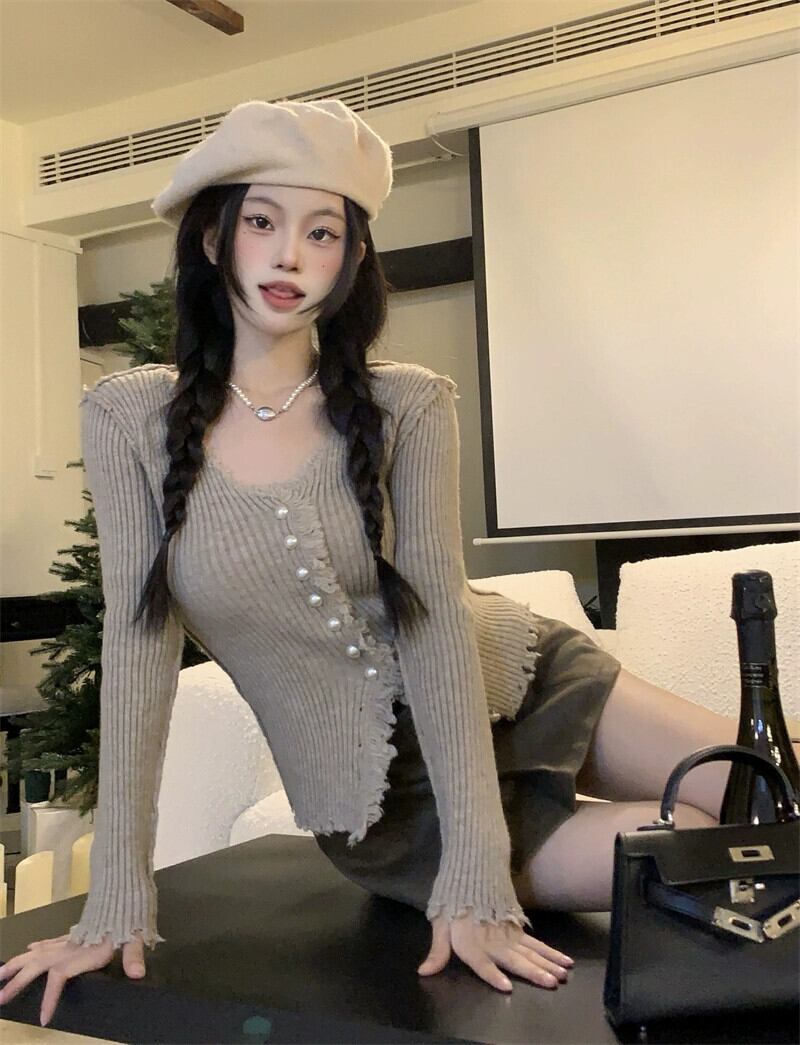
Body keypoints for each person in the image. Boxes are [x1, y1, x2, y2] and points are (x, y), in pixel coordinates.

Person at [2, 98, 797, 1030]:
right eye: (262, 223)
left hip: (516, 679)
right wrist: (116, 901)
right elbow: (137, 652)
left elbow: (436, 626)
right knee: (698, 859)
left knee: (776, 807)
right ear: (214, 239)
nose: (290, 256)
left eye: (322, 232)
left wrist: (480, 878)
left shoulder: (406, 404)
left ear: (351, 258)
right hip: (389, 811)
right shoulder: (129, 416)